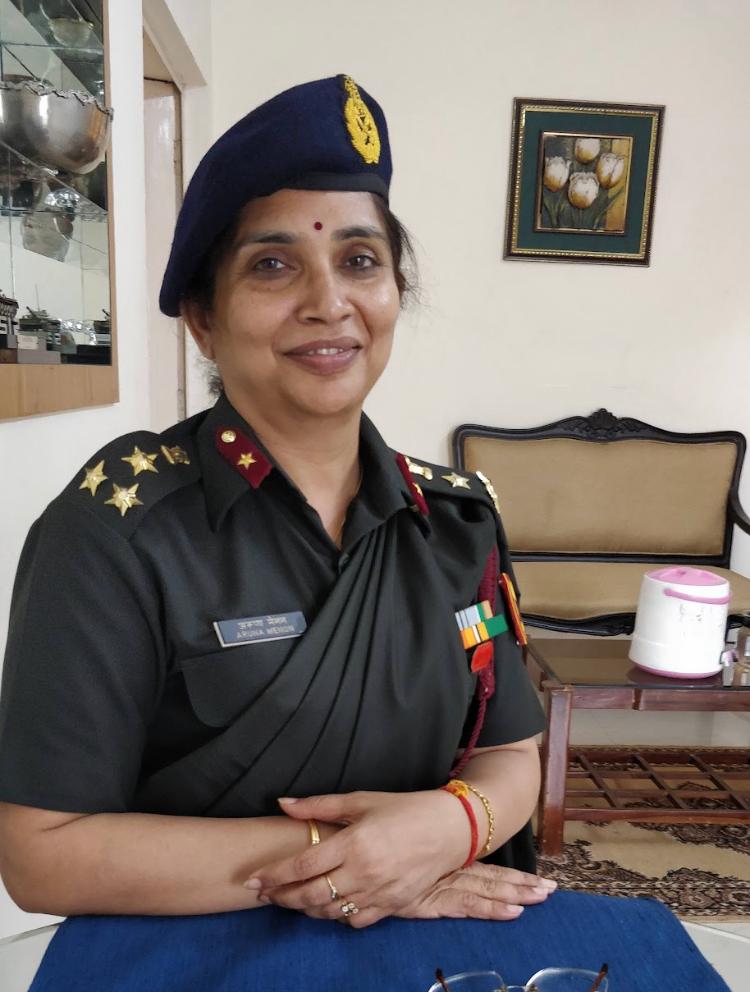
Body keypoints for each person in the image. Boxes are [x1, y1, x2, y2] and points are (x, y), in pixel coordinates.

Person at [0, 75, 551, 929]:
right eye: (272, 265)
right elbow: (41, 853)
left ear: (394, 292)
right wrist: (356, 863)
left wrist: (448, 829)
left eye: (360, 261)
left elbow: (512, 752)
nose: (329, 303)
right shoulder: (116, 532)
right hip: (191, 957)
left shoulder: (453, 522)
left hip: (426, 947)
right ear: (203, 319)